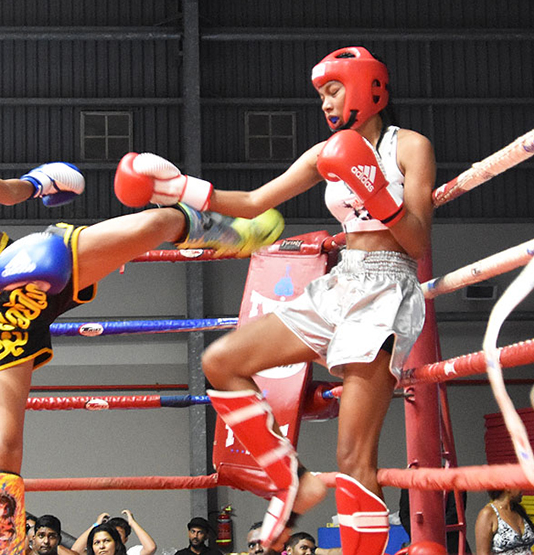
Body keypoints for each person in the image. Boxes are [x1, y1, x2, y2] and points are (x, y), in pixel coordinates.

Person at [0, 92, 283, 555]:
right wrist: (3, 273)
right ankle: (6, 549)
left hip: (40, 268)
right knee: (3, 448)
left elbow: (7, 193)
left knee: (153, 225)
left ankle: (226, 235)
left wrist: (40, 183)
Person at [118, 47, 435, 553]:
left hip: (386, 287)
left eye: (333, 90)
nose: (326, 104)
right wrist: (174, 187)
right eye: (321, 96)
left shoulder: (411, 147)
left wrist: (377, 194)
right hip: (340, 284)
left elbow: (418, 243)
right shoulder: (324, 152)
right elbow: (250, 204)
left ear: (369, 88)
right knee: (222, 360)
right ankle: (293, 479)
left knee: (354, 457)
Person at [475, 490, 534, 555]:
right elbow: (483, 552)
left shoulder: (518, 511)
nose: (522, 489)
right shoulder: (488, 513)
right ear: (508, 488)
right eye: (518, 485)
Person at [72, 513, 154, 555]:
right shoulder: (94, 552)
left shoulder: (131, 553)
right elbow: (75, 551)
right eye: (97, 542)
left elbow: (150, 548)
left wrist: (132, 523)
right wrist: (96, 525)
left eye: (107, 540)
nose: (102, 546)